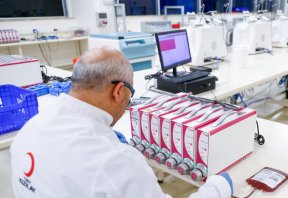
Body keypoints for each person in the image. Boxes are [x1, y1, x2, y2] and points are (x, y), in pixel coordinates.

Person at [10, 47, 233, 197]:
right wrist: (218, 187)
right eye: (131, 94)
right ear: (119, 91)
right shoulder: (116, 161)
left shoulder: (29, 129)